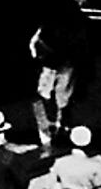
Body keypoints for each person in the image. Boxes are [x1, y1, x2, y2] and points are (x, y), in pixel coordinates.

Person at [28, 21, 78, 150]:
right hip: (52, 65)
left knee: (59, 96)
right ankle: (55, 127)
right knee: (49, 95)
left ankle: (58, 126)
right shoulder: (45, 33)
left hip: (60, 64)